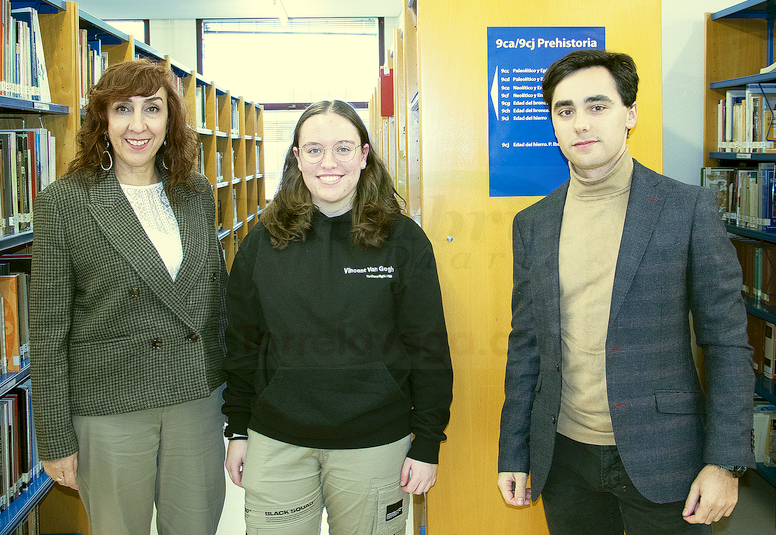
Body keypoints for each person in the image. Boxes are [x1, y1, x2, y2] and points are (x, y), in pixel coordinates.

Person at [496, 50, 755, 534]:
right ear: (553, 123)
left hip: (666, 456)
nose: (580, 125)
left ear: (630, 114)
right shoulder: (533, 224)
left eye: (598, 107)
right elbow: (525, 344)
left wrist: (725, 462)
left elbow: (726, 345)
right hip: (564, 457)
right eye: (565, 110)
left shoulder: (687, 209)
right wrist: (514, 450)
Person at [222, 99, 453, 535]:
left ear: (365, 156)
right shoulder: (263, 240)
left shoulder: (403, 240)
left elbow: (429, 347)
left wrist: (427, 442)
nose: (328, 163)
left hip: (375, 442)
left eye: (343, 148)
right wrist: (237, 430)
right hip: (278, 440)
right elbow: (242, 342)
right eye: (314, 150)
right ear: (296, 157)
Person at [29, 59, 228, 535]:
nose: (138, 126)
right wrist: (56, 438)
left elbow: (215, 300)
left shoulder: (196, 191)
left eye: (153, 109)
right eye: (123, 109)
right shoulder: (65, 201)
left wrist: (238, 404)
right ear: (103, 120)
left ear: (170, 121)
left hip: (197, 399)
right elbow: (48, 329)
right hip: (110, 407)